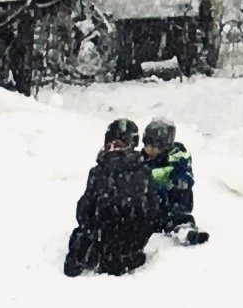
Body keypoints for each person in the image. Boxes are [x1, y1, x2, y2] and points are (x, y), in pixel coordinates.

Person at [64, 118, 159, 277]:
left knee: (87, 230)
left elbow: (84, 210)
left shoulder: (99, 171)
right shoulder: (143, 170)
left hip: (104, 235)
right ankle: (122, 254)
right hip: (130, 240)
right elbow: (153, 210)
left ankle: (92, 251)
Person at [142, 117, 210, 247]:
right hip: (149, 208)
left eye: (154, 147)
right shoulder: (141, 159)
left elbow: (184, 179)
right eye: (146, 144)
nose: (149, 149)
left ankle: (183, 228)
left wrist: (164, 181)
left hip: (171, 203)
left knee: (175, 206)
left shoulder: (178, 158)